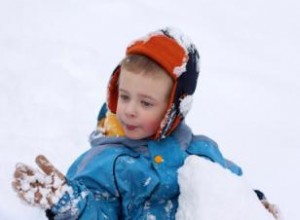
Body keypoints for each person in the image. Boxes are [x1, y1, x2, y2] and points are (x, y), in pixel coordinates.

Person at [12, 27, 279, 219]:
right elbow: (99, 211)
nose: (129, 110)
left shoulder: (200, 153)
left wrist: (255, 205)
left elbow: (228, 190)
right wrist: (68, 203)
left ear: (174, 108)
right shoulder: (107, 162)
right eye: (124, 96)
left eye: (146, 103)